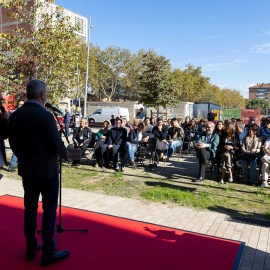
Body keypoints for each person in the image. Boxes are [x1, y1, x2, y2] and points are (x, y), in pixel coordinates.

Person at [8, 80, 70, 266]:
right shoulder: (45, 116)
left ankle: (31, 246)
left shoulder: (15, 115)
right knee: (49, 209)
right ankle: (48, 252)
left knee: (30, 209)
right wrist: (66, 154)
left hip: (28, 171)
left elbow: (13, 144)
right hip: (48, 171)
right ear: (42, 95)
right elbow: (57, 144)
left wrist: (25, 157)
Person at [8, 98, 24, 172]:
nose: (21, 106)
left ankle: (18, 164)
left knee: (20, 151)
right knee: (16, 151)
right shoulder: (14, 113)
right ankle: (11, 166)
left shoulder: (24, 112)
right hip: (15, 135)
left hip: (22, 135)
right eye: (20, 104)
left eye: (23, 104)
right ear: (17, 104)